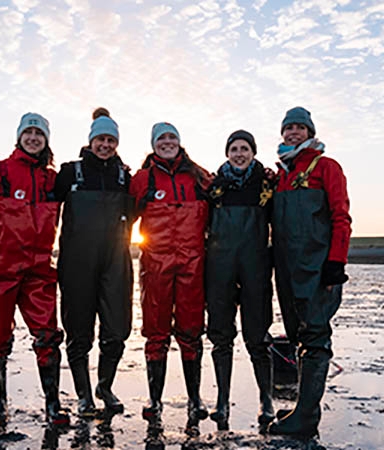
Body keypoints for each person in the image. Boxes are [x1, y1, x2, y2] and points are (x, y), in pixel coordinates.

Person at [0, 112, 69, 427]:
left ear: (47, 140)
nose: (34, 137)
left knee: (48, 337)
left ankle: (52, 407)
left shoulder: (54, 181)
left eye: (40, 133)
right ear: (20, 136)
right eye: (29, 132)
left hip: (39, 273)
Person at [268, 107, 352, 437]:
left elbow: (341, 217)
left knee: (316, 337)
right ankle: (304, 405)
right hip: (288, 272)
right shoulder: (283, 175)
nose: (293, 133)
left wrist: (336, 263)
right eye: (288, 128)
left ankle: (307, 417)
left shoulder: (326, 167)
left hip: (318, 271)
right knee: (298, 336)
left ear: (310, 132)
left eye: (300, 128)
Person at [130, 122, 211, 427]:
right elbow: (122, 221)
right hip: (156, 266)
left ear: (180, 141)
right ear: (153, 144)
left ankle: (194, 399)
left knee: (191, 331)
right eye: (161, 138)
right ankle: (155, 400)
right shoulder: (140, 180)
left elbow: (223, 199)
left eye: (172, 137)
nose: (167, 142)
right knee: (156, 332)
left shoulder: (199, 176)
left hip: (193, 265)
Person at [54, 108, 134, 417]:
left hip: (116, 260)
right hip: (77, 262)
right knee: (79, 331)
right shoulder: (69, 172)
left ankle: (105, 385)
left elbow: (139, 212)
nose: (106, 145)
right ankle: (84, 395)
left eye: (111, 140)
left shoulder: (124, 176)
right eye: (101, 139)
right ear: (91, 141)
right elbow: (42, 208)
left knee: (117, 330)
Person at [205, 130, 275, 431]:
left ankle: (266, 398)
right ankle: (222, 400)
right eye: (234, 149)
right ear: (227, 153)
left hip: (255, 267)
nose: (239, 153)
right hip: (219, 269)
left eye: (244, 148)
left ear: (253, 152)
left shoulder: (267, 184)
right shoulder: (214, 187)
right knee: (221, 336)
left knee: (257, 336)